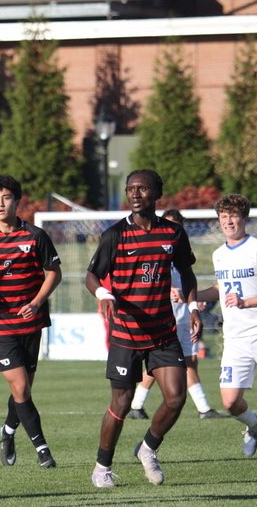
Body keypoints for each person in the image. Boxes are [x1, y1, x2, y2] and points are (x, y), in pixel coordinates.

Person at [86, 169, 201, 488]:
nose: (135, 194)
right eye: (130, 189)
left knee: (177, 397)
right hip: (126, 333)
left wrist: (192, 307)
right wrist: (104, 293)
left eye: (142, 188)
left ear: (157, 193)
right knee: (121, 403)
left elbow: (187, 273)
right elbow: (91, 276)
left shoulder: (173, 234)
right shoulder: (115, 235)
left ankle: (147, 448)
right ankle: (102, 467)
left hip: (163, 332)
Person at [0, 174, 62, 469]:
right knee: (19, 386)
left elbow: (54, 273)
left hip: (31, 323)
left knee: (23, 391)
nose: (0, 203)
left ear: (17, 202)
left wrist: (35, 302)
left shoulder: (35, 236)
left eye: (6, 197)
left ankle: (7, 431)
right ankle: (43, 450)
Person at [127, 209, 224, 420]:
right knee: (167, 364)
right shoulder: (155, 250)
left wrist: (195, 302)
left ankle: (138, 405)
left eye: (177, 226)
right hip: (165, 319)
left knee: (186, 363)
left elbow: (187, 282)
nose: (172, 230)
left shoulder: (181, 252)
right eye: (169, 225)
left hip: (184, 318)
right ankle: (203, 409)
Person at [196, 194, 257, 457]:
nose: (228, 221)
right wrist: (193, 297)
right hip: (235, 338)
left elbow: (241, 297)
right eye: (223, 217)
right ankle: (253, 424)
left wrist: (246, 303)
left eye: (233, 216)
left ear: (244, 218)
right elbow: (221, 289)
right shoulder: (219, 255)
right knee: (230, 402)